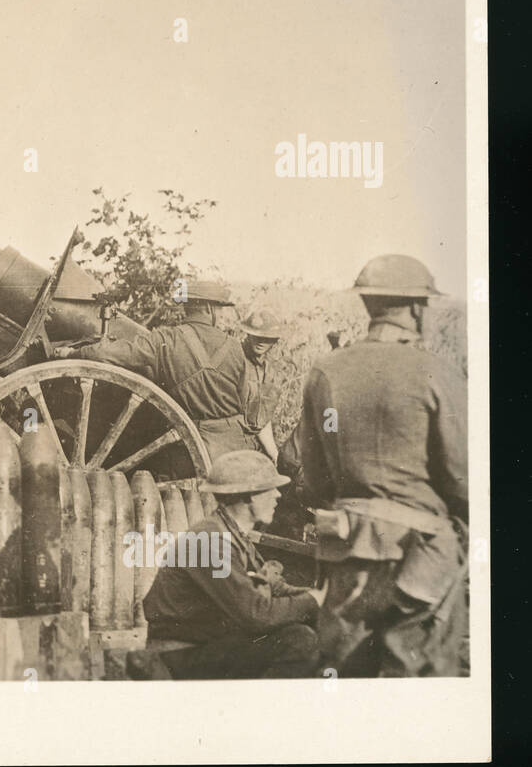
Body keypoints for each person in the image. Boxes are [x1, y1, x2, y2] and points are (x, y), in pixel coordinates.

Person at [294, 254, 467, 677]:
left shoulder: (326, 371)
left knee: (347, 675)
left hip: (347, 553)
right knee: (419, 679)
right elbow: (463, 476)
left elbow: (312, 475)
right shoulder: (437, 372)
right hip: (419, 553)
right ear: (414, 308)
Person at [141, 450, 328, 679]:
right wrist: (312, 602)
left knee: (311, 629)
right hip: (180, 656)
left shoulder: (231, 534)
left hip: (208, 645)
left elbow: (274, 588)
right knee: (298, 641)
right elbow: (255, 614)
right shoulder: (210, 541)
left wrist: (322, 599)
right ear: (249, 495)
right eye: (270, 489)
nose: (278, 495)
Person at [64, 279, 253, 460]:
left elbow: (108, 353)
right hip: (235, 446)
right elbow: (245, 400)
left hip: (192, 443)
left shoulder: (165, 340)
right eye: (220, 309)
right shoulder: (234, 346)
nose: (220, 314)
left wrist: (71, 354)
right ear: (209, 308)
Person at [237, 309, 283, 462]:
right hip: (234, 439)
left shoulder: (270, 371)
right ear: (248, 334)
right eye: (256, 336)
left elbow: (263, 416)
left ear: (275, 341)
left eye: (267, 338)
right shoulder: (235, 359)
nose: (261, 341)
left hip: (256, 442)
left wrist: (274, 454)